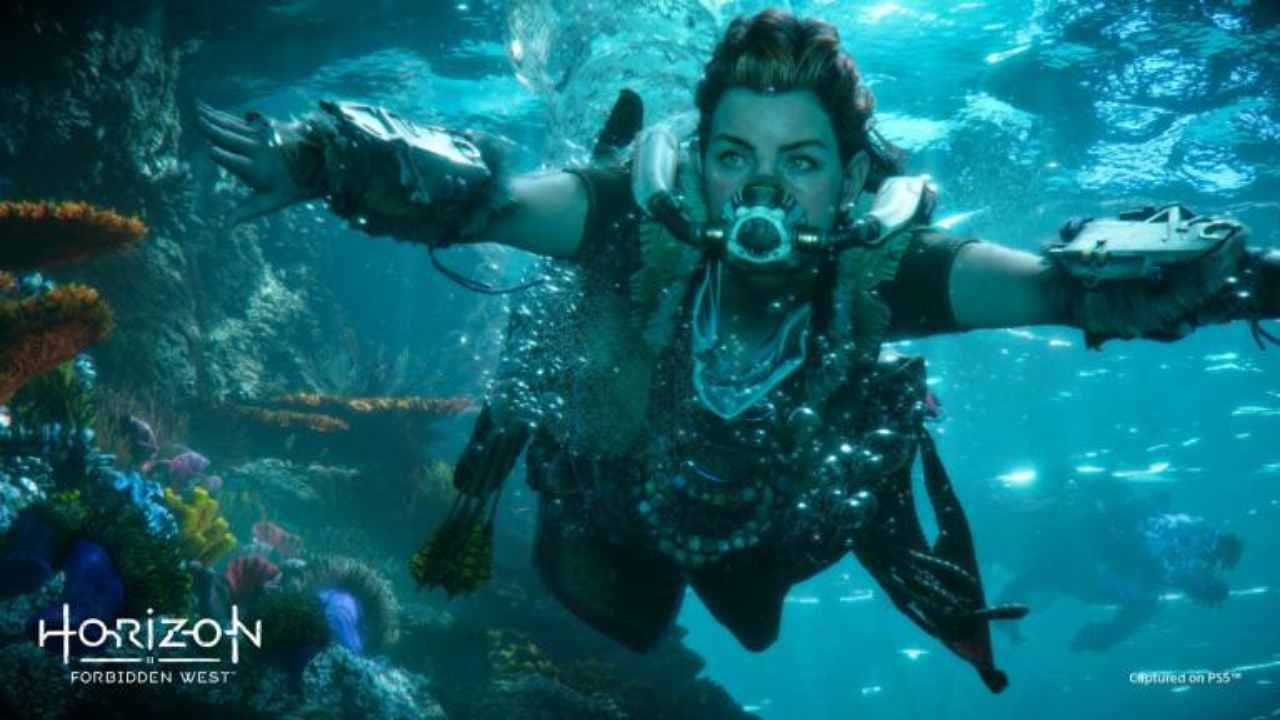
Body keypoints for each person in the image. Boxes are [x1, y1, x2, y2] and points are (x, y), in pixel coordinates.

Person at [196, 10, 1277, 693]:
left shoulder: (884, 268)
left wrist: (1239, 279)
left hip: (777, 530)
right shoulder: (627, 216)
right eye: (734, 157)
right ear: (698, 166)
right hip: (610, 505)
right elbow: (491, 202)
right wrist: (333, 156)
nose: (764, 191)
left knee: (750, 627)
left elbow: (1061, 283)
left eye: (800, 161)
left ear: (850, 179)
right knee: (616, 610)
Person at [994, 487, 1244, 652]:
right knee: (1052, 570)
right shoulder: (1163, 571)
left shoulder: (1157, 584)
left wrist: (1104, 637)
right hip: (1088, 545)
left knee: (1052, 571)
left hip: (1087, 550)